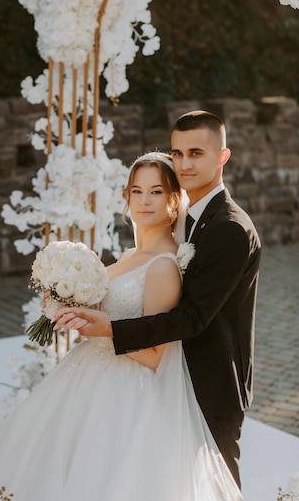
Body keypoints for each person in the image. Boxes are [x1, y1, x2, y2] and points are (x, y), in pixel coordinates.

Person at [0, 151, 242, 500]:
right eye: (137, 191)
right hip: (85, 378)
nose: (144, 200)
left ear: (174, 199)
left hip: (125, 395)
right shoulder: (128, 257)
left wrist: (103, 331)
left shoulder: (163, 267)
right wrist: (66, 304)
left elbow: (157, 357)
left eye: (156, 191)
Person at [57, 110, 261, 489]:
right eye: (178, 152)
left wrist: (111, 330)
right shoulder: (187, 219)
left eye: (196, 153)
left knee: (216, 488)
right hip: (166, 379)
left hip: (209, 383)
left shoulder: (229, 228)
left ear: (222, 156)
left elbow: (192, 318)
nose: (184, 163)